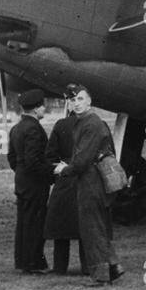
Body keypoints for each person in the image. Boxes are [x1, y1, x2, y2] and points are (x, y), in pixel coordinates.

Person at [52, 85, 122, 285]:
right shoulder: (87, 122)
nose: (76, 103)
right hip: (93, 179)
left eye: (80, 99)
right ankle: (113, 266)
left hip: (91, 180)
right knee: (97, 225)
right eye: (72, 100)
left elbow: (82, 160)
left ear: (90, 101)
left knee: (91, 227)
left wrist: (64, 170)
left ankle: (101, 275)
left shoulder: (90, 124)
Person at [7, 89, 54, 273]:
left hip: (22, 182)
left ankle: (22, 261)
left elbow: (12, 158)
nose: (44, 109)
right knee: (36, 224)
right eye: (42, 106)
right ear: (36, 109)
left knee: (24, 223)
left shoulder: (16, 128)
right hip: (35, 184)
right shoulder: (34, 129)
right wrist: (51, 173)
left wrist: (21, 173)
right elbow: (34, 161)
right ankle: (34, 263)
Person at [43, 89, 87, 275]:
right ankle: (88, 266)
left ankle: (60, 267)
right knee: (87, 227)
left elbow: (49, 156)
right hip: (86, 180)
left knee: (61, 228)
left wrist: (60, 171)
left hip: (64, 181)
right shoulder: (96, 123)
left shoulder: (61, 125)